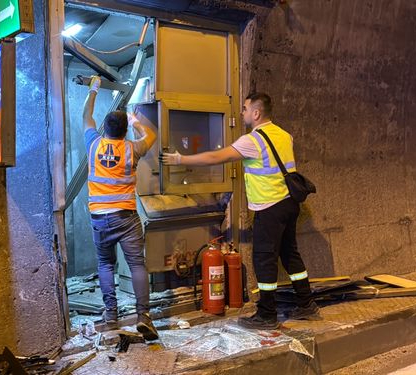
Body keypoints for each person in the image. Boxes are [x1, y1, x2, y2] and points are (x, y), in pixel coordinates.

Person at [161, 92, 320, 329]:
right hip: (289, 204)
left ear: (256, 113)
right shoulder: (285, 136)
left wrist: (179, 160)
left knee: (264, 259)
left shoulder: (252, 140)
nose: (242, 112)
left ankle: (267, 314)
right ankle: (306, 303)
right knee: (289, 254)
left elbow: (216, 157)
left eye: (245, 109)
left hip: (270, 206)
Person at [83, 76, 158, 339]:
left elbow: (86, 116)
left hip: (99, 218)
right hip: (125, 216)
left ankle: (111, 315)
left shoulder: (93, 144)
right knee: (137, 264)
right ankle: (143, 316)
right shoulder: (132, 149)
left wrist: (94, 89)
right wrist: (135, 119)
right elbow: (151, 135)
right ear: (125, 131)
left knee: (105, 264)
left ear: (104, 127)